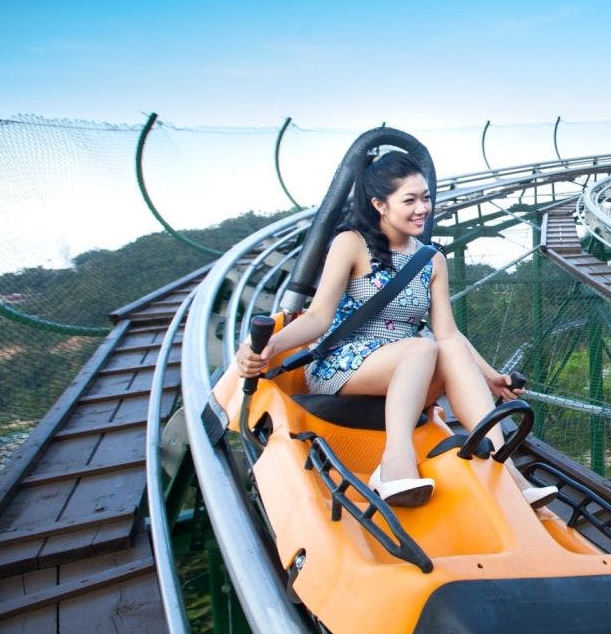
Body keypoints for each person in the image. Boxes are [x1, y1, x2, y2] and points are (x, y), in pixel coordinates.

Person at [234, 150, 554, 509]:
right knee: (422, 346)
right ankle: (394, 464)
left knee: (442, 346)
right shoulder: (351, 243)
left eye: (426, 198)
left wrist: (491, 376)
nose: (422, 209)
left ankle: (505, 468)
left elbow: (449, 334)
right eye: (410, 200)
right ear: (380, 205)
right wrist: (271, 345)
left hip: (411, 368)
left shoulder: (431, 259)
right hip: (346, 364)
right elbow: (318, 318)